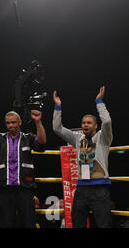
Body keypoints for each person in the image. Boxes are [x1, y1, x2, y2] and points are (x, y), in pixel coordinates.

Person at [52, 86, 113, 228]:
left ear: (95, 126)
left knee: (104, 224)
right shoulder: (77, 139)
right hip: (81, 188)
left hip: (100, 187)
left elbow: (108, 122)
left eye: (89, 122)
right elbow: (57, 128)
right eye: (83, 123)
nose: (85, 125)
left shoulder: (103, 138)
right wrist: (57, 107)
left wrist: (99, 102)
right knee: (78, 223)